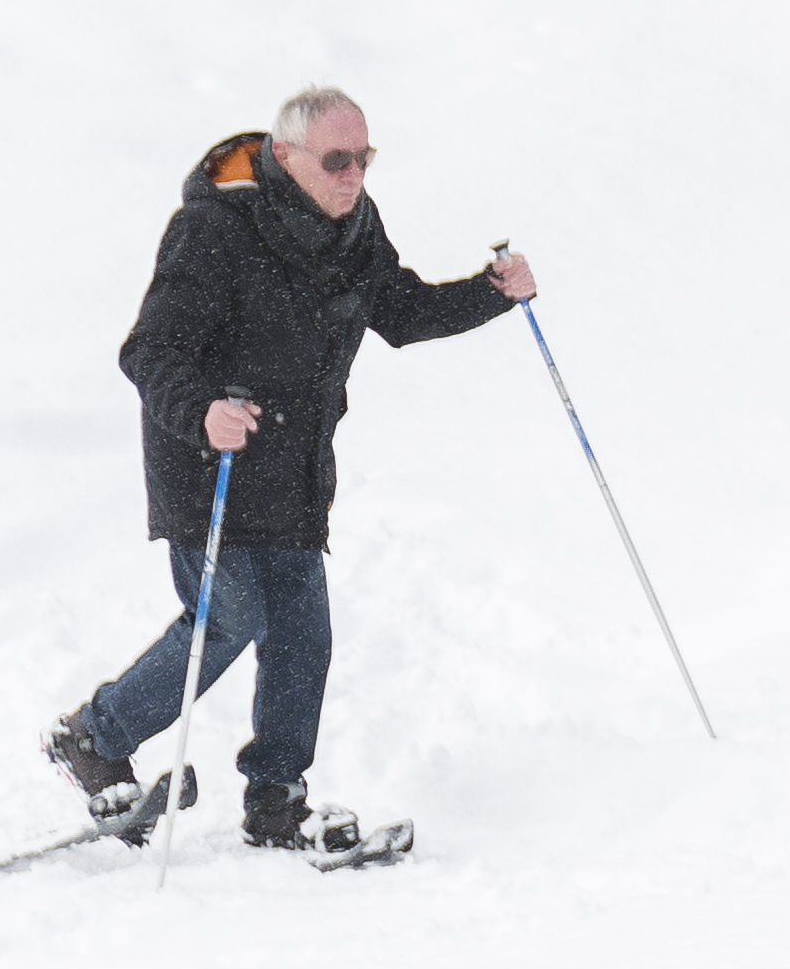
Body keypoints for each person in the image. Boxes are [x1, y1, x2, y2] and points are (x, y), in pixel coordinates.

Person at [41, 87, 530, 852]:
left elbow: (399, 312)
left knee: (305, 636)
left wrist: (490, 294)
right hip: (209, 463)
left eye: (364, 158)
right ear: (286, 156)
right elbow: (150, 352)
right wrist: (204, 410)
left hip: (295, 472)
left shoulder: (355, 230)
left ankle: (277, 799)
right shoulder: (213, 228)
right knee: (232, 617)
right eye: (337, 160)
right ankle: (94, 737)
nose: (353, 175)